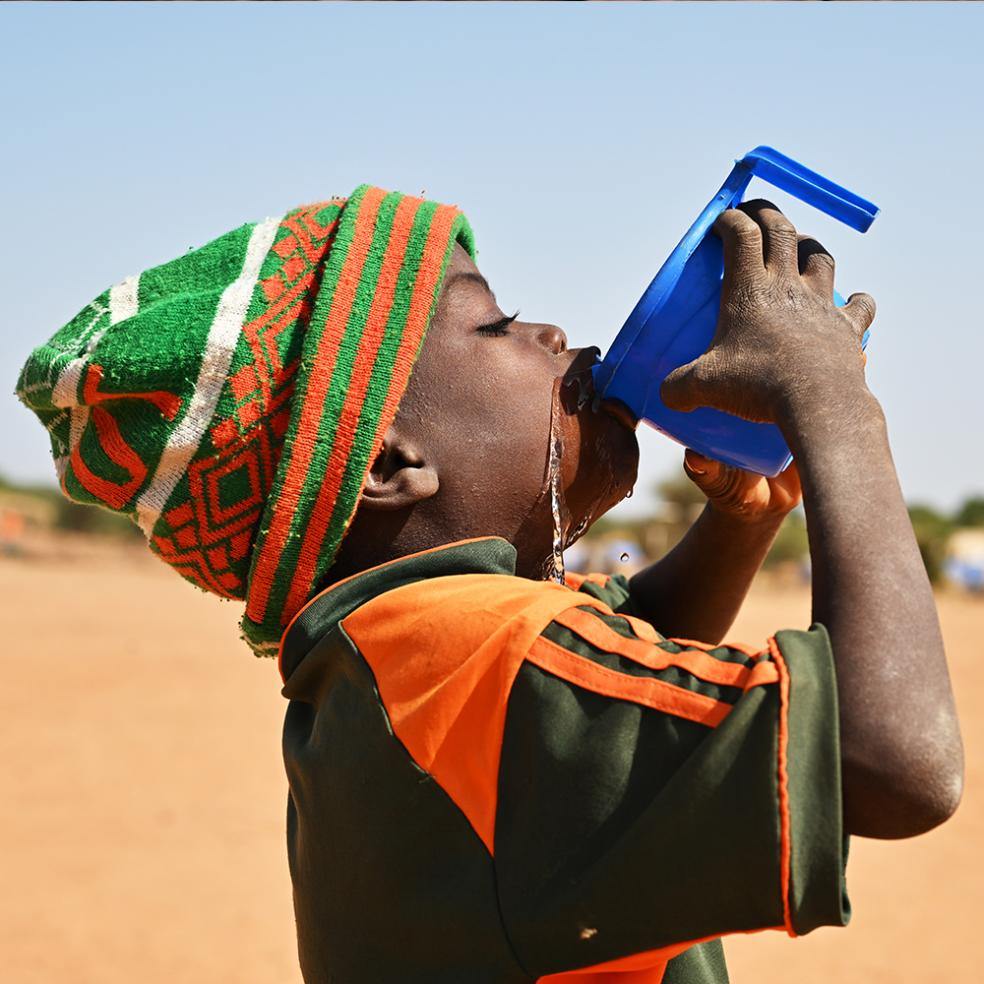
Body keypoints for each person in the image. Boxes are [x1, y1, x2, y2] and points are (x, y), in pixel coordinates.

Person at [17, 186, 963, 983]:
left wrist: (742, 520)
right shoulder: (480, 660)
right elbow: (895, 766)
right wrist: (838, 408)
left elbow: (618, 686)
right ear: (388, 461)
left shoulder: (395, 665)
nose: (554, 329)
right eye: (499, 324)